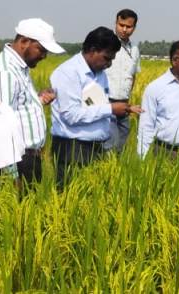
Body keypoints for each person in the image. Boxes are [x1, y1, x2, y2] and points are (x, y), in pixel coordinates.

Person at [49, 26, 141, 186]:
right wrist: (111, 109)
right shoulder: (68, 73)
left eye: (112, 59)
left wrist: (120, 109)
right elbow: (71, 115)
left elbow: (94, 106)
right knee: (70, 200)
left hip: (96, 148)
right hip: (73, 149)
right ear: (92, 50)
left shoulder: (100, 74)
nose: (109, 64)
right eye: (107, 58)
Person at [0, 18, 64, 184]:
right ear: (24, 41)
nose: (44, 56)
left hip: (24, 161)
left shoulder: (19, 67)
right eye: (41, 50)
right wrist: (12, 175)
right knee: (11, 209)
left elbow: (16, 108)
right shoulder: (5, 72)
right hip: (14, 164)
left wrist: (37, 100)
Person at [102, 9, 141, 152]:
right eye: (121, 25)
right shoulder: (105, 44)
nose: (124, 29)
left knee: (121, 144)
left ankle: (115, 171)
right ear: (115, 23)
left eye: (128, 26)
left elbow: (133, 76)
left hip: (124, 104)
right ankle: (104, 171)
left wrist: (127, 101)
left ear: (134, 28)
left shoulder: (135, 49)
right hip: (106, 102)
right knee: (110, 143)